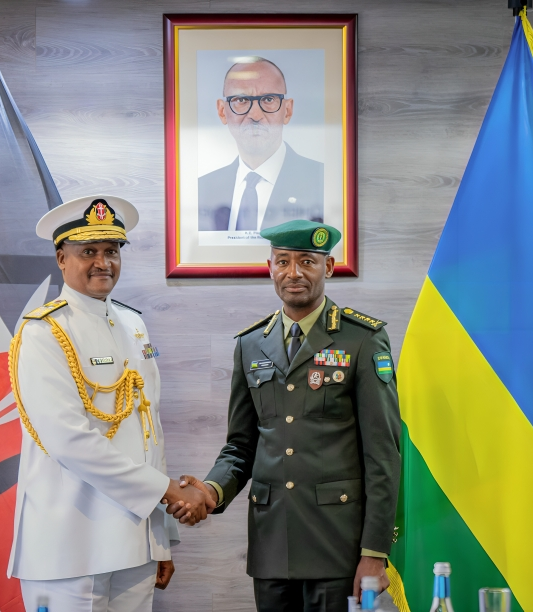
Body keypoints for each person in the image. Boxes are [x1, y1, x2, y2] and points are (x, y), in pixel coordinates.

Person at [168, 220, 401, 612]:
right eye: (283, 262)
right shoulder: (250, 344)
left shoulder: (360, 339)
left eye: (307, 261)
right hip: (272, 544)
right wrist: (210, 491)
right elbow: (241, 447)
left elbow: (383, 455)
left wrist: (374, 552)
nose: (293, 273)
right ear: (270, 266)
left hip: (338, 546)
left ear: (327, 268)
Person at [6, 195, 214, 612]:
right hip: (69, 545)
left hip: (133, 545)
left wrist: (161, 543)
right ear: (61, 259)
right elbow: (69, 441)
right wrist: (167, 491)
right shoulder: (44, 331)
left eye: (112, 251)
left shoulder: (132, 324)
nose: (103, 262)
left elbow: (148, 433)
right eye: (89, 252)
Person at [198, 57, 325, 232]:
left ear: (287, 111)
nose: (255, 115)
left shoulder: (323, 181)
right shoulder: (201, 189)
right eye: (241, 100)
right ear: (222, 111)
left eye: (268, 99)